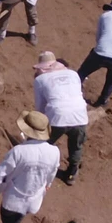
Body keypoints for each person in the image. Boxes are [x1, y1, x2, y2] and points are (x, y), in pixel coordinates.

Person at [33, 52, 90, 185]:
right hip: (80, 117)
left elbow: (40, 107)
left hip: (57, 117)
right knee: (76, 146)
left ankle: (39, 167)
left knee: (43, 144)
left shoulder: (40, 80)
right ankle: (71, 174)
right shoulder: (74, 74)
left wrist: (40, 126)